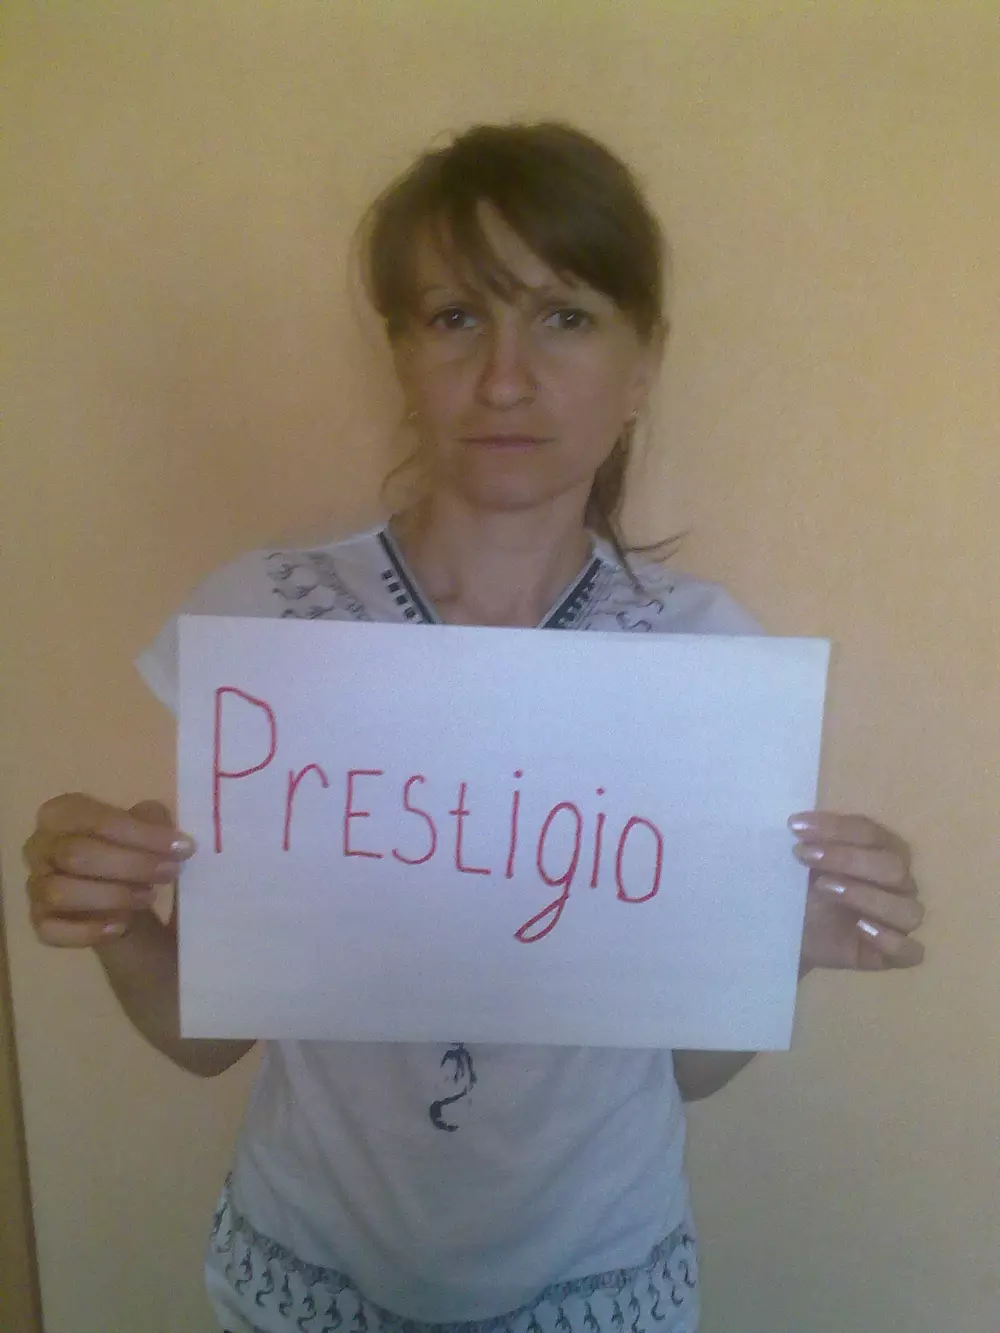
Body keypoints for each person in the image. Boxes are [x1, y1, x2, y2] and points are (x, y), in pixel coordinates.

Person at [22, 123, 925, 1333]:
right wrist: (113, 914)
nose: (505, 378)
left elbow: (688, 1072)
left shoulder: (706, 661)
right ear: (399, 353)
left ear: (643, 364)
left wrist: (783, 949)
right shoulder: (265, 624)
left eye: (564, 316)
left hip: (598, 1282)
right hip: (307, 1277)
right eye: (454, 317)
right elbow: (207, 1038)